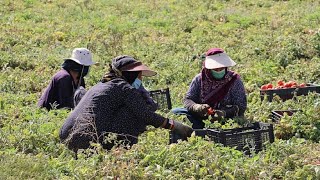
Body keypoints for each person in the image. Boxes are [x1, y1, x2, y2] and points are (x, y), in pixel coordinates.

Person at [59, 55, 193, 152]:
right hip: (86, 141)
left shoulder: (101, 85)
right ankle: (122, 151)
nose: (140, 80)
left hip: (66, 136)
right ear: (130, 75)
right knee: (134, 114)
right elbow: (145, 114)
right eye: (139, 76)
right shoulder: (124, 87)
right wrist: (174, 125)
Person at [172, 48, 247, 129]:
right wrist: (196, 107)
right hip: (200, 118)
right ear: (208, 69)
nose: (218, 71)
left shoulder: (234, 80)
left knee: (234, 124)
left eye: (221, 68)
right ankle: (199, 129)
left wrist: (223, 113)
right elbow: (188, 99)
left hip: (226, 120)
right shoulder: (199, 79)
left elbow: (241, 106)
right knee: (175, 112)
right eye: (215, 69)